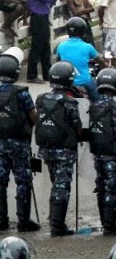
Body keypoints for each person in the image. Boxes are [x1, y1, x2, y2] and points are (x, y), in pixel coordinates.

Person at [35, 61, 83, 237]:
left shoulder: (41, 99)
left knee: (56, 183)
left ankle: (54, 220)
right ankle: (57, 225)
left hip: (46, 149)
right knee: (62, 186)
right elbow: (77, 127)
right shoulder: (70, 102)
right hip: (64, 150)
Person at [0, 48, 39, 232]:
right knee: (23, 180)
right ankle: (24, 220)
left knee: (0, 181)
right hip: (19, 143)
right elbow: (33, 117)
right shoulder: (21, 93)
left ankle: (1, 219)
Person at [89, 68, 116, 236]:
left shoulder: (93, 106)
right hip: (112, 154)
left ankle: (105, 223)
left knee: (102, 187)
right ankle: (109, 226)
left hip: (98, 152)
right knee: (112, 189)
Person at [26, 0, 61, 83]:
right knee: (37, 47)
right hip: (38, 18)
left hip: (42, 17)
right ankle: (32, 75)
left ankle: (47, 73)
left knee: (45, 46)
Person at [56, 17, 103, 101]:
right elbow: (100, 60)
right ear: (83, 32)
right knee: (100, 102)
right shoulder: (88, 47)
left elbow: (58, 62)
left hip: (67, 83)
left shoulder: (60, 46)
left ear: (67, 31)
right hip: (85, 82)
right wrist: (107, 66)